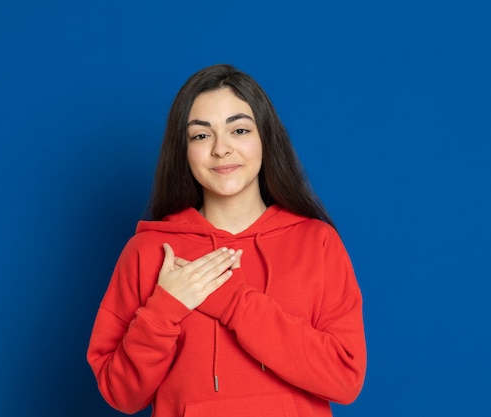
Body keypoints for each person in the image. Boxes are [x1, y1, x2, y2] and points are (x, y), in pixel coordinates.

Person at [87, 64, 366, 417]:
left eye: (239, 130)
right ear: (183, 150)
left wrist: (234, 303)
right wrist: (164, 309)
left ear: (265, 138)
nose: (222, 149)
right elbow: (120, 393)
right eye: (201, 136)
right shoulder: (148, 251)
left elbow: (345, 378)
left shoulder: (317, 242)